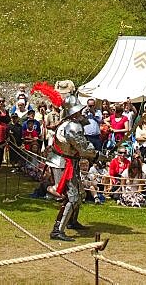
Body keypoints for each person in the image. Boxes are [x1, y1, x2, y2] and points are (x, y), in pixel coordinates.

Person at [48, 95, 97, 241]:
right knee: (72, 196)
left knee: (80, 194)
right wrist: (98, 155)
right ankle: (57, 230)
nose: (81, 112)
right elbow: (83, 148)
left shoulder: (70, 124)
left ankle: (71, 221)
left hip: (69, 161)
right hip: (64, 163)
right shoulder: (72, 126)